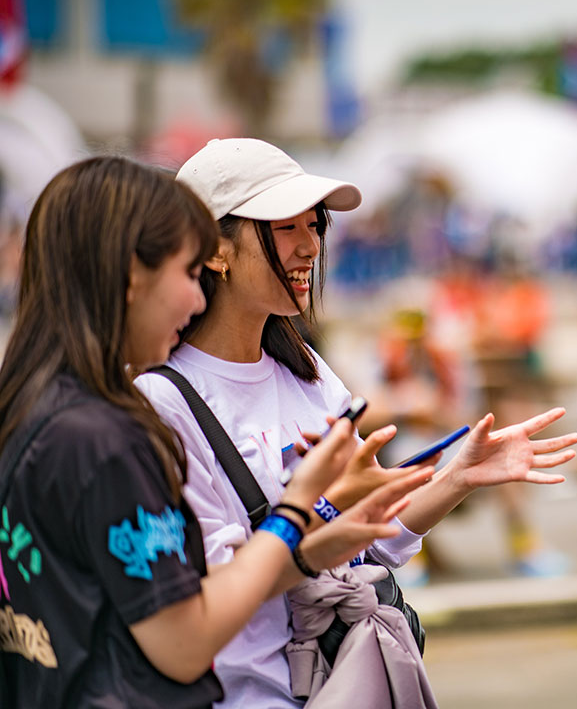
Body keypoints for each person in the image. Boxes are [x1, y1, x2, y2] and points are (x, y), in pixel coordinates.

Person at [134, 138, 577, 708]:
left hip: (338, 684)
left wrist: (456, 477)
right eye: (285, 227)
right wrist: (318, 509)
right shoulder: (162, 399)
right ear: (216, 249)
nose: (310, 246)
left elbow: (366, 548)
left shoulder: (310, 374)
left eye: (315, 224)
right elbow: (215, 586)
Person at [0, 157, 428, 708]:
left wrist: (313, 535)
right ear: (133, 274)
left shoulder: (31, 410)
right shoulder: (108, 439)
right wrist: (300, 511)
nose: (196, 297)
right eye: (185, 271)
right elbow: (185, 638)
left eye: (315, 224)